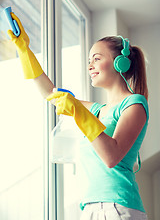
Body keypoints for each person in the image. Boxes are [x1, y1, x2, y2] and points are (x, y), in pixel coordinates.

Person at [8, 12, 149, 220]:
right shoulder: (96, 111)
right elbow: (50, 93)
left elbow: (111, 156)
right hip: (90, 208)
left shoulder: (134, 104)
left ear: (120, 63)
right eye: (89, 60)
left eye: (97, 59)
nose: (90, 65)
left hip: (118, 207)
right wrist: (24, 50)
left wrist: (78, 112)